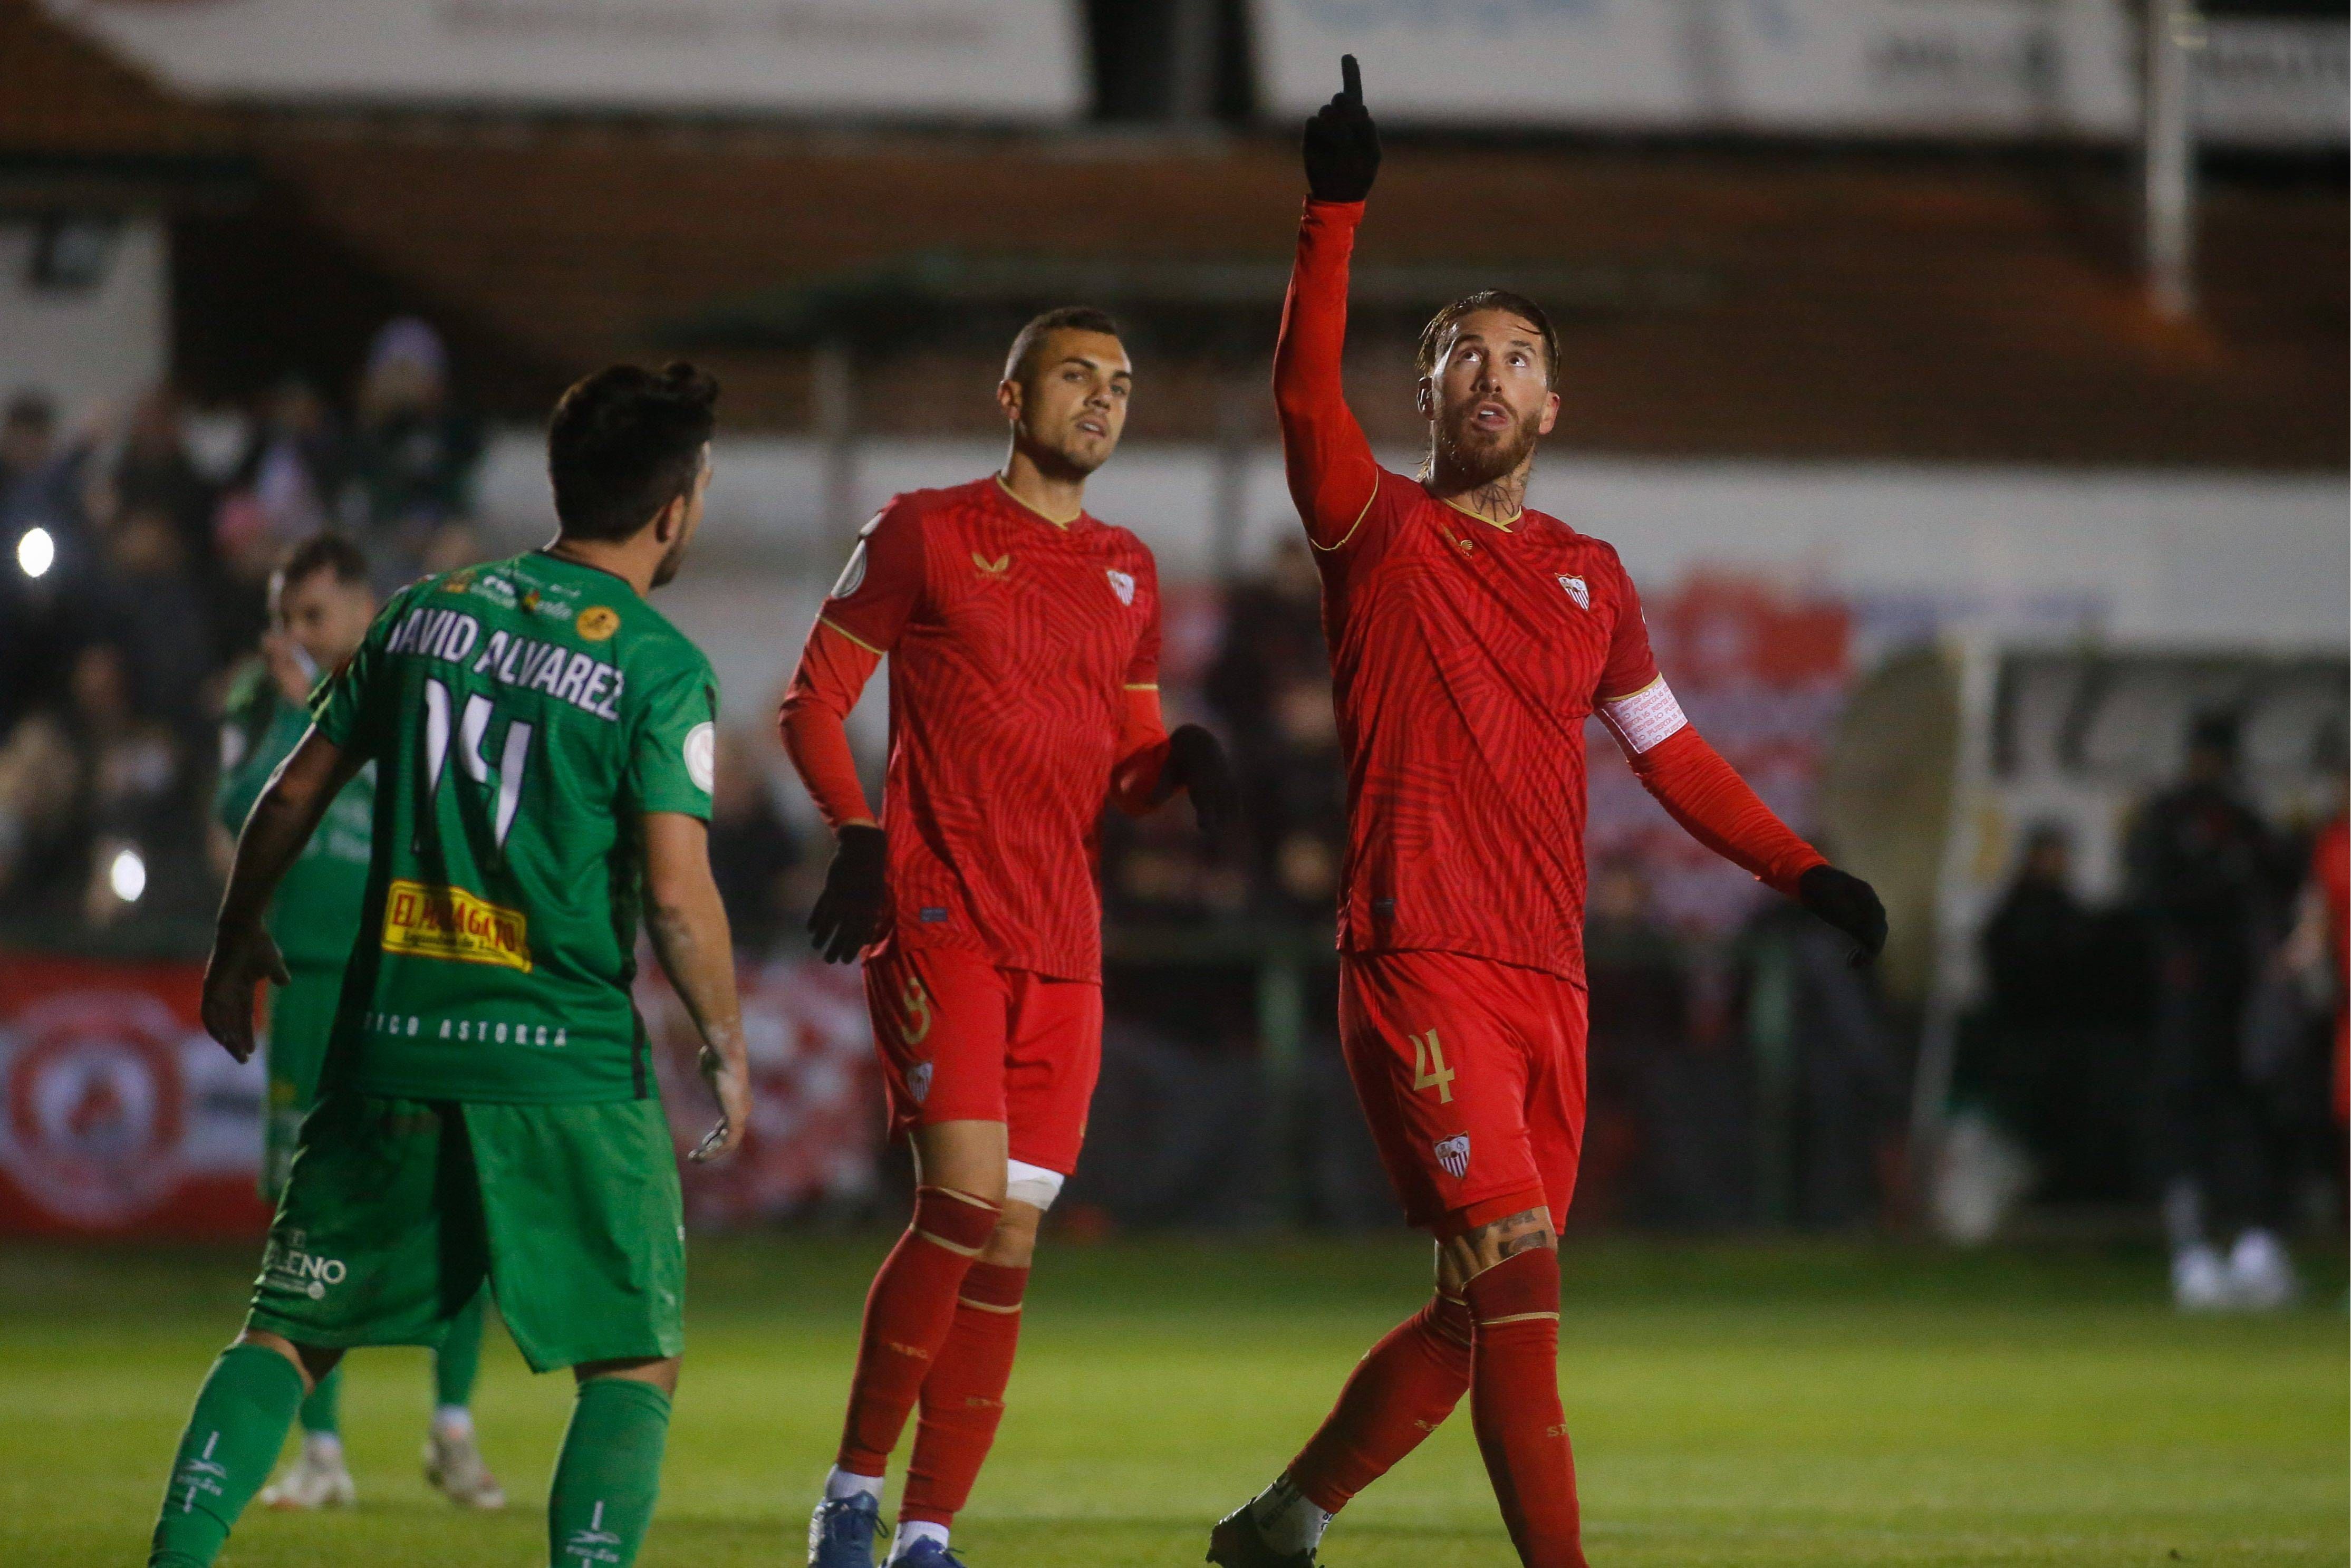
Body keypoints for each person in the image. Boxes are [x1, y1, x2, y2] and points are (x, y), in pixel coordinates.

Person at [1207, 60, 1886, 1568]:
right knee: (1515, 1274)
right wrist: (1333, 213)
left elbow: (1673, 755)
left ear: (1553, 405)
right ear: (1430, 391)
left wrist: (1804, 867)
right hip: (1418, 956)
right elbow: (1300, 391)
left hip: (1549, 979)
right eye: (1463, 354)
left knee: (1475, 1314)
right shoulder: (1370, 528)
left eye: (1517, 357)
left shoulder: (1594, 575)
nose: (1490, 375)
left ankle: (1282, 1522)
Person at [146, 363, 751, 1568]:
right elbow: (677, 897)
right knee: (631, 1356)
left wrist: (235, 934)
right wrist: (724, 1041)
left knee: (288, 1328)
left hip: (391, 1049)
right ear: (674, 509)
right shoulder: (659, 666)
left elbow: (293, 786)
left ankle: (175, 1554)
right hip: (564, 1063)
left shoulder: (424, 612)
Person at [780, 306, 1236, 1568]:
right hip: (938, 913)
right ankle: (849, 1495)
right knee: (961, 1202)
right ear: (1011, 394)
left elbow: (1129, 761)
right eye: (1075, 376)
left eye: (1121, 383)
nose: (1101, 398)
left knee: (1014, 1232)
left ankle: (928, 1528)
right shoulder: (922, 531)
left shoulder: (1129, 568)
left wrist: (1178, 761)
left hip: (1064, 942)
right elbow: (812, 700)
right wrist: (858, 833)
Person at [214, 533, 504, 1512]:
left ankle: (453, 1427)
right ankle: (324, 1452)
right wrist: (289, 711)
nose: (293, 635)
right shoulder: (260, 701)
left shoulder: (414, 682)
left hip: (409, 982)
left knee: (453, 1197)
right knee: (311, 1214)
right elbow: (234, 805)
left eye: (312, 615)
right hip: (306, 982)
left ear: (358, 607)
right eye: (284, 617)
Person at [2126, 713, 2295, 1311]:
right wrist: (2217, 882)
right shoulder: (2169, 820)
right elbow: (2151, 900)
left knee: (2248, 1114)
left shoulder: (2245, 823)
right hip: (2184, 998)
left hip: (2241, 1000)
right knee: (2184, 1116)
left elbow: (2278, 884)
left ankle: (2253, 1242)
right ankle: (2192, 1250)